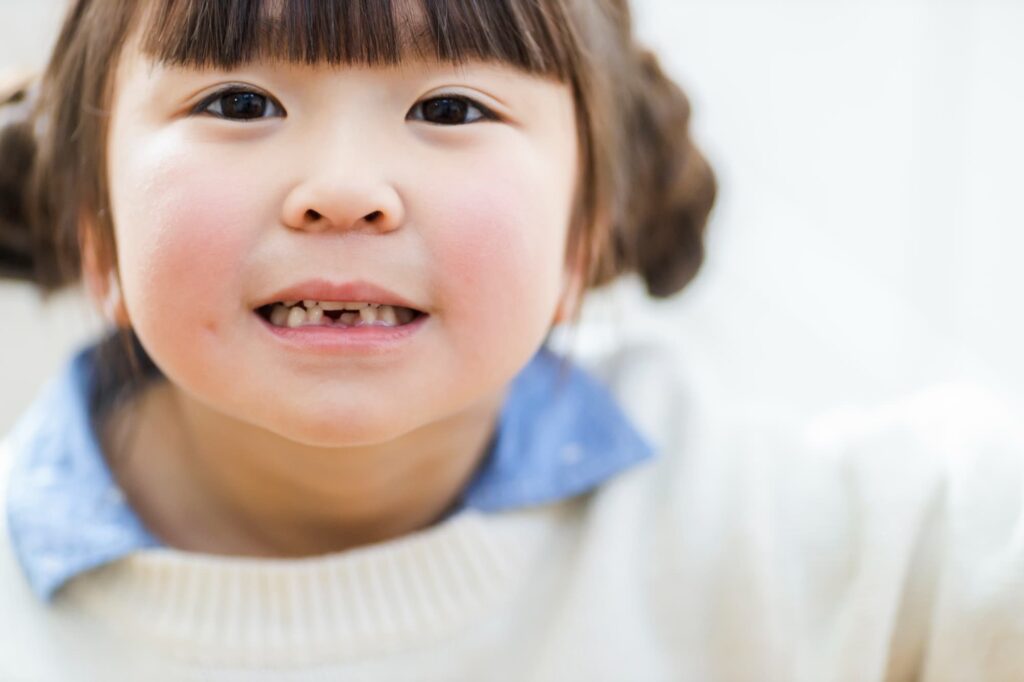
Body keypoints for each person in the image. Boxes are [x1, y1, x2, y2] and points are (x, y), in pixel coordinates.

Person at [0, 0, 1021, 680]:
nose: (344, 189)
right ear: (98, 230)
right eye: (237, 101)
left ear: (582, 236)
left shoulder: (747, 528)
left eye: (450, 106)